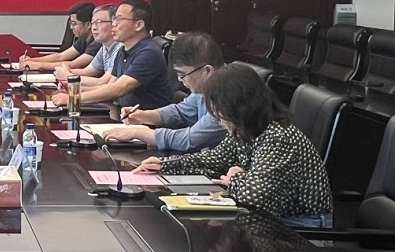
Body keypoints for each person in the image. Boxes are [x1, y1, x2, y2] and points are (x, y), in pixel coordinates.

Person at [134, 64, 334, 228]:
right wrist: (165, 164)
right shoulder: (248, 127)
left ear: (238, 106)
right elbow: (216, 159)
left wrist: (234, 178)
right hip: (270, 217)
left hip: (301, 226)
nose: (217, 117)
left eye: (219, 110)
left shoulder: (277, 136)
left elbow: (255, 196)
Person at [102, 31, 227, 151]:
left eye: (182, 74)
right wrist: (144, 116)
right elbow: (181, 112)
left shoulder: (227, 95)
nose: (179, 79)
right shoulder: (205, 89)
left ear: (207, 71)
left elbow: (190, 140)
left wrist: (138, 133)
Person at [52, 0, 171, 110]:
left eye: (119, 19)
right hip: (123, 114)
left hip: (145, 121)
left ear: (139, 25)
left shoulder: (148, 53)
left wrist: (73, 97)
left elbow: (119, 89)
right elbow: (109, 85)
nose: (113, 24)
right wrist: (75, 89)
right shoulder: (123, 50)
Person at [53, 4, 122, 87]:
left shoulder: (121, 48)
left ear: (114, 24)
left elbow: (104, 82)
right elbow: (87, 71)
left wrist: (68, 76)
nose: (94, 28)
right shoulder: (104, 47)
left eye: (99, 22)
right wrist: (65, 71)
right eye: (93, 23)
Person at [19, 1, 100, 71]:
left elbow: (74, 64)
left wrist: (39, 66)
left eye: (74, 24)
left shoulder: (97, 42)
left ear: (88, 25)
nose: (71, 27)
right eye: (70, 23)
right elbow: (60, 56)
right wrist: (31, 60)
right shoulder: (83, 39)